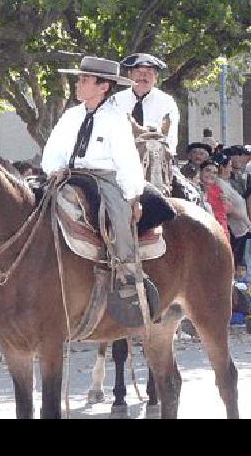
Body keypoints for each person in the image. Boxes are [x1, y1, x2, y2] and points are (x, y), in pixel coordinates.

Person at [42, 56, 146, 314]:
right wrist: (56, 168)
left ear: (103, 87)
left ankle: (127, 272)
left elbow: (127, 160)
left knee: (118, 214)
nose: (78, 84)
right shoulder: (70, 116)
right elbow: (52, 150)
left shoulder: (116, 119)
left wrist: (132, 196)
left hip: (103, 177)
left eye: (84, 80)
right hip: (68, 173)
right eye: (79, 79)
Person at [114, 53, 180, 155]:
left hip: (156, 158)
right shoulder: (116, 101)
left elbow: (170, 140)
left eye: (149, 73)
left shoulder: (167, 102)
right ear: (129, 74)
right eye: (138, 72)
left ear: (156, 77)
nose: (143, 77)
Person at [199, 159, 229, 231]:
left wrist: (226, 202)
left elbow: (225, 210)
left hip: (222, 230)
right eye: (207, 170)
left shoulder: (218, 189)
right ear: (200, 172)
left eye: (214, 173)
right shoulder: (195, 189)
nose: (211, 175)